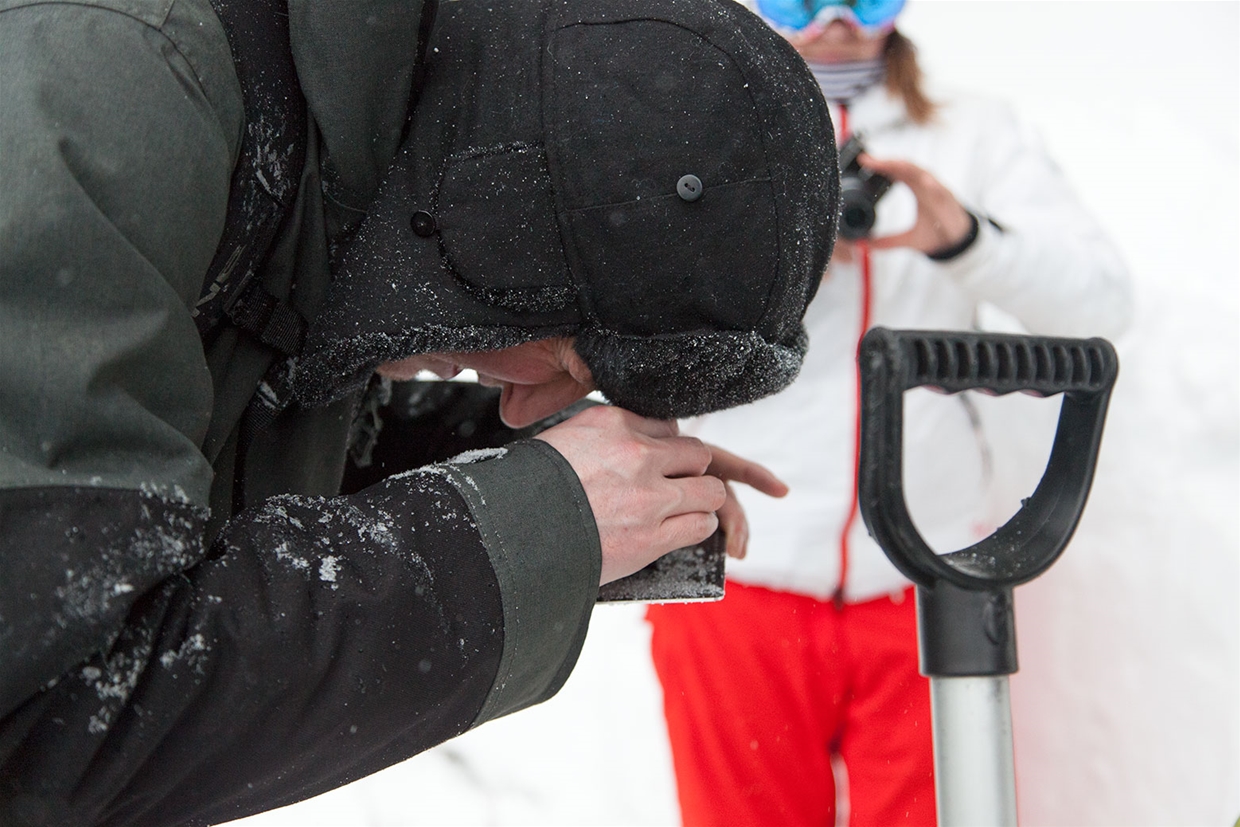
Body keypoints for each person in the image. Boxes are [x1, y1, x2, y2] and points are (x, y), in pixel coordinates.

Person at [0, 0, 839, 823]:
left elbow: (212, 439)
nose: (523, 407)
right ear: (506, 230)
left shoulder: (329, 136)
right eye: (568, 363)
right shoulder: (120, 84)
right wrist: (541, 519)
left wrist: (540, 470)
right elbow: (47, 714)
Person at [646, 1, 1134, 825]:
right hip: (741, 575)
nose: (836, 17)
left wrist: (966, 239)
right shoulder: (688, 126)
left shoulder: (974, 131)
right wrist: (763, 247)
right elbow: (621, 311)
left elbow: (1101, 300)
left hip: (924, 577)